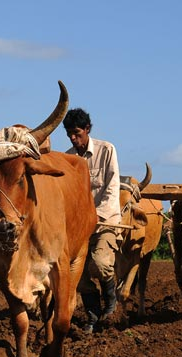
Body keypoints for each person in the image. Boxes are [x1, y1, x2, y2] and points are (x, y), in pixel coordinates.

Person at [63, 108, 121, 333]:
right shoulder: (67, 159)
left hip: (105, 221)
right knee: (76, 273)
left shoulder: (107, 150)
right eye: (69, 134)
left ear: (87, 129)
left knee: (100, 263)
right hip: (78, 227)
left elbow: (112, 187)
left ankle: (111, 300)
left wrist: (96, 216)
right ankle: (93, 315)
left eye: (76, 133)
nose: (73, 138)